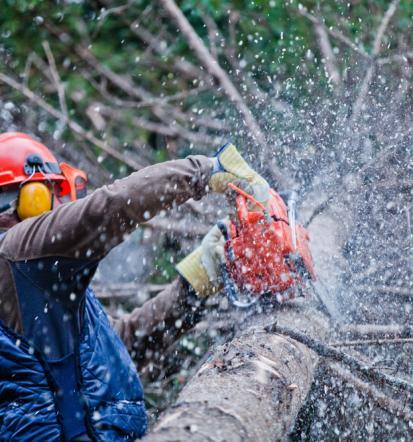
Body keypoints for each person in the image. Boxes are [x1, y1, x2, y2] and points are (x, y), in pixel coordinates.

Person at [0, 132, 269, 441]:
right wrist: (208, 169)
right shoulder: (16, 253)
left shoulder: (33, 284)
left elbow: (120, 347)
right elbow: (108, 208)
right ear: (24, 199)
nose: (60, 204)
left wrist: (195, 284)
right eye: (48, 194)